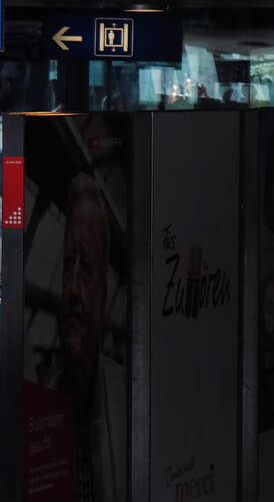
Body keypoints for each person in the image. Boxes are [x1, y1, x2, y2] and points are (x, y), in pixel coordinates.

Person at [52, 173, 128, 502]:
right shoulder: (37, 410)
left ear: (103, 295)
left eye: (86, 270)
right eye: (68, 265)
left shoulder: (128, 402)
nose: (72, 288)